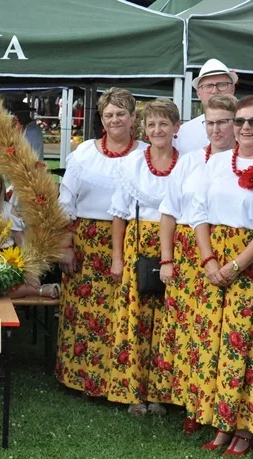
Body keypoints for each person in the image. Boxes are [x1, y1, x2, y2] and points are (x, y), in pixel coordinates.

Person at [189, 95, 253, 456]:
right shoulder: (217, 163)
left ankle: (246, 427)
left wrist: (235, 266)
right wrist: (210, 262)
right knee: (215, 342)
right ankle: (220, 421)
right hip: (214, 259)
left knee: (247, 344)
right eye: (239, 121)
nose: (244, 128)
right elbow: (197, 212)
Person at [55, 87, 146, 398]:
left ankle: (117, 380)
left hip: (130, 241)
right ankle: (82, 378)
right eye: (108, 114)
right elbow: (65, 200)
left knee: (121, 311)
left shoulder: (145, 154)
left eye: (121, 113)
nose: (114, 119)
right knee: (84, 311)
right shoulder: (83, 153)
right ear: (101, 119)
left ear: (133, 118)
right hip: (86, 240)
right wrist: (65, 244)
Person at [158, 94, 238, 432]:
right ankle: (193, 405)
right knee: (191, 335)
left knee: (222, 335)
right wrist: (167, 260)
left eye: (223, 122)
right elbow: (169, 212)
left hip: (230, 257)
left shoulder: (246, 162)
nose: (216, 129)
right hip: (189, 259)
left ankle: (222, 408)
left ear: (237, 124)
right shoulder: (190, 161)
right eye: (210, 122)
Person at [106, 98, 180, 415]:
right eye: (151, 124)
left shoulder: (189, 163)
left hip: (177, 245)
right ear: (144, 129)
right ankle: (134, 392)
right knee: (135, 321)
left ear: (176, 128)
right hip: (138, 243)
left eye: (164, 123)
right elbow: (119, 216)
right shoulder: (132, 164)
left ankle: (163, 394)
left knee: (168, 321)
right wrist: (117, 258)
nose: (157, 130)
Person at [174, 59, 238, 155]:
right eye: (208, 86)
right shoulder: (183, 133)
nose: (215, 91)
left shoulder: (251, 127)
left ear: (232, 89)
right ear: (198, 94)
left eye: (222, 85)